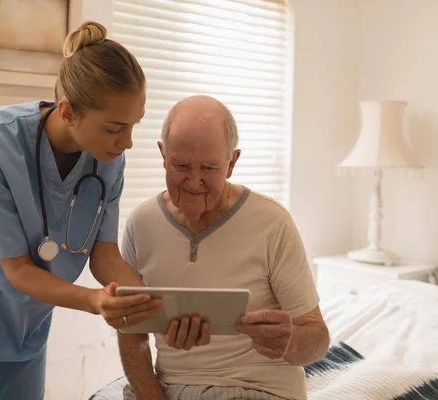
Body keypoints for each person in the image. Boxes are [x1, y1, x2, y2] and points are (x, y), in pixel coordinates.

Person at [0, 21, 162, 400]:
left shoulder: (107, 158)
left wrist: (147, 301)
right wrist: (94, 301)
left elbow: (104, 254)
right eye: (115, 128)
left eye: (133, 126)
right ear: (69, 111)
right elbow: (19, 269)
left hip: (29, 312)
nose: (127, 142)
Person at [116, 95, 330, 400]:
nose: (193, 181)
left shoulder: (273, 223)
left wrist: (292, 341)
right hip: (167, 389)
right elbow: (131, 334)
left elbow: (318, 339)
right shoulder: (141, 224)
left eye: (208, 167)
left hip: (259, 390)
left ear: (231, 163)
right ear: (163, 155)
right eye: (181, 165)